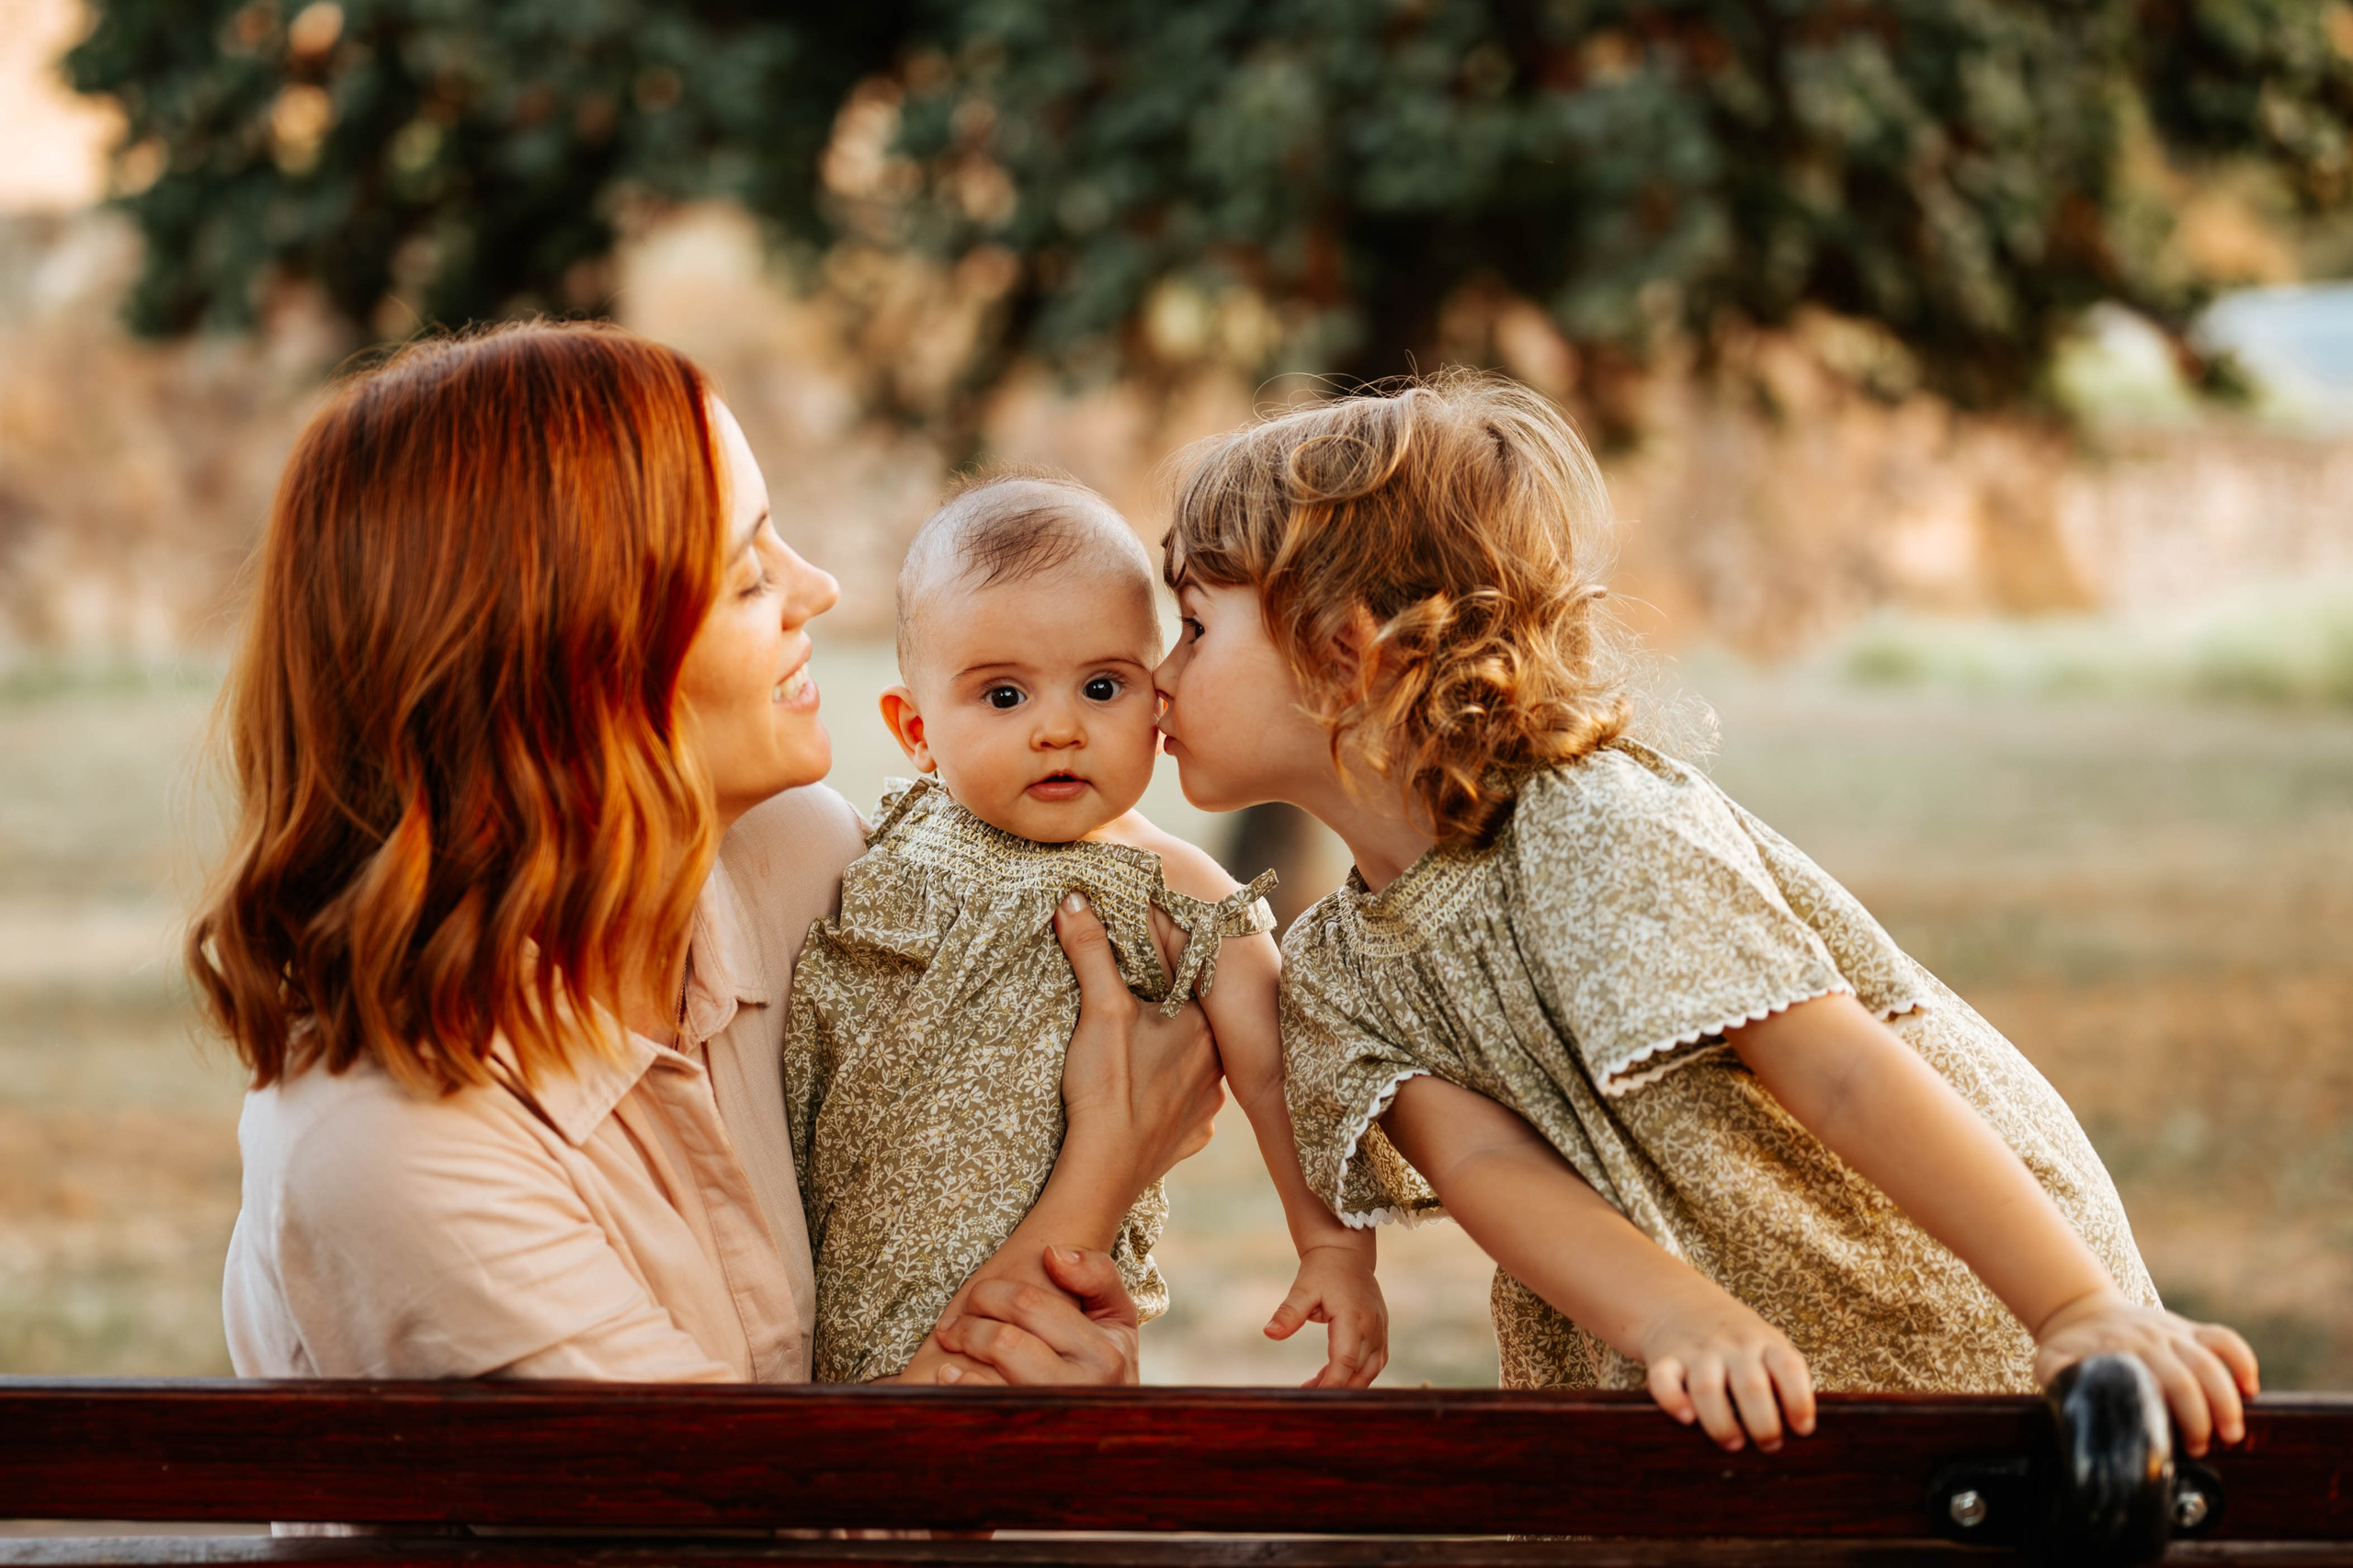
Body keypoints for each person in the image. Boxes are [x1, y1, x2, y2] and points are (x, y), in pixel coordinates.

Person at [1149, 370, 2262, 1455]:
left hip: (1940, 1317)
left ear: (1344, 651)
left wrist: (2072, 1307)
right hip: (1716, 1370)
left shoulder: (1587, 828)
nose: (1157, 672)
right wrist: (1671, 1314)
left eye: (1194, 626)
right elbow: (1486, 1164)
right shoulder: (1338, 969)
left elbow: (1839, 1064)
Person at [192, 322, 1222, 1388]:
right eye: (745, 578)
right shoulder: (395, 1141)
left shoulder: (798, 861)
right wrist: (1103, 1165)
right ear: (571, 660)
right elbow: (738, 1538)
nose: (817, 587)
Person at [785, 472, 1387, 1386]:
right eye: (1002, 697)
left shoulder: (1182, 892)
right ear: (916, 728)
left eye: (1101, 685)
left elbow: (1280, 1075)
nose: (1059, 728)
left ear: (1159, 703)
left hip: (1041, 1297)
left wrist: (1331, 1247)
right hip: (848, 1249)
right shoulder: (890, 835)